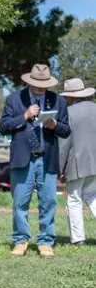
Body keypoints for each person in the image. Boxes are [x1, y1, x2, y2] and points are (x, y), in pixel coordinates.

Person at [0, 64, 70, 258]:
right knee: (20, 202)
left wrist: (54, 125)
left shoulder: (58, 101)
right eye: (37, 84)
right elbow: (4, 127)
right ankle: (20, 240)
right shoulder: (14, 99)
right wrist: (25, 115)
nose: (41, 88)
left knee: (48, 201)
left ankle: (46, 241)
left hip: (47, 159)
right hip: (23, 159)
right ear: (29, 82)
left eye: (44, 84)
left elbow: (66, 131)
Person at [58, 78, 96, 246]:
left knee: (74, 199)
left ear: (71, 97)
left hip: (77, 163)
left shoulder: (69, 113)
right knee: (92, 195)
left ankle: (78, 239)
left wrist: (59, 168)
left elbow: (64, 144)